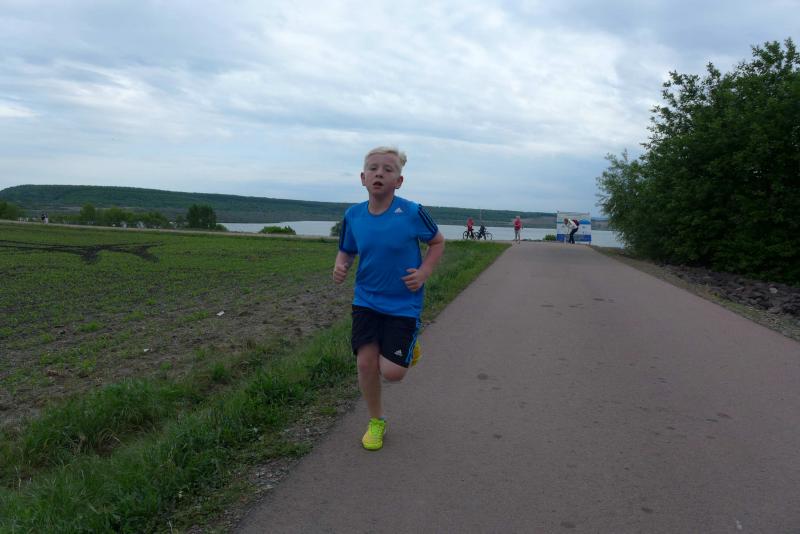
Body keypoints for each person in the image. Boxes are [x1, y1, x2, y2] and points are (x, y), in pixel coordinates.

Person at [333, 146, 445, 451]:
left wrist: (424, 272)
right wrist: (341, 264)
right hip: (366, 300)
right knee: (365, 363)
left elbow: (437, 242)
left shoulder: (412, 212)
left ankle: (409, 346)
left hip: (403, 302)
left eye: (387, 169)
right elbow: (347, 249)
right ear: (363, 178)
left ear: (399, 181)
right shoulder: (353, 215)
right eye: (373, 168)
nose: (379, 173)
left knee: (393, 373)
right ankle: (376, 421)